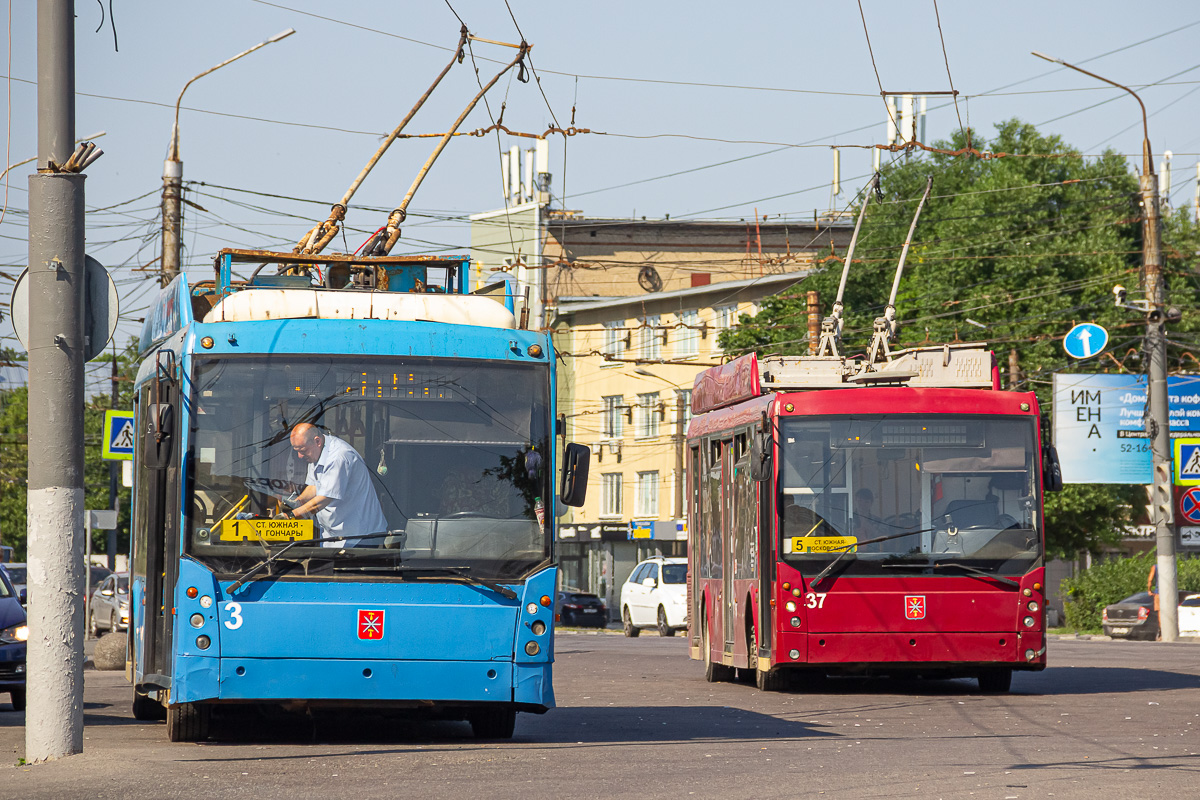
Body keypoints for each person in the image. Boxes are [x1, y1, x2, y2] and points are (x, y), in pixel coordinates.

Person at [279, 423, 388, 547]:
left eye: (302, 450)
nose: (300, 456)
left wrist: (292, 516)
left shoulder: (339, 457)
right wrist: (297, 502)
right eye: (297, 451)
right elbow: (314, 487)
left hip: (360, 536)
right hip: (333, 537)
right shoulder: (315, 454)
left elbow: (324, 499)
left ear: (317, 441)